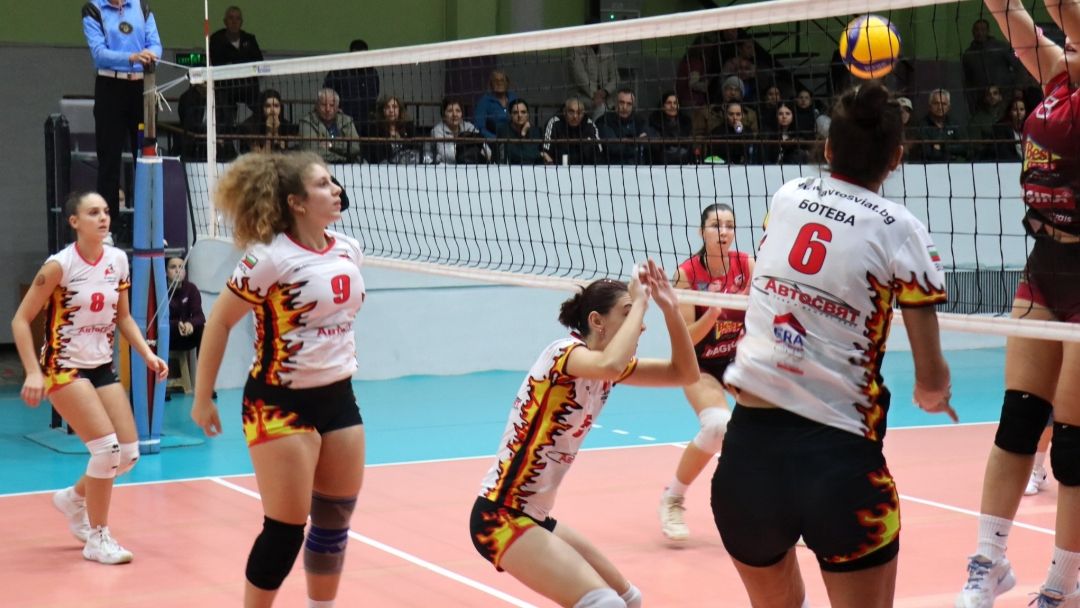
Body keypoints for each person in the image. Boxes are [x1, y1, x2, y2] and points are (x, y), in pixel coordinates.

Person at [713, 80, 955, 608]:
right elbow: (931, 377)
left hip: (747, 463)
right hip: (841, 465)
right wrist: (934, 394)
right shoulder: (902, 230)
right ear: (895, 159)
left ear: (827, 148)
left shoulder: (787, 197)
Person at [190, 152, 366, 608]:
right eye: (323, 184)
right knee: (285, 530)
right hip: (278, 404)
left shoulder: (348, 249)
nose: (336, 190)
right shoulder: (268, 258)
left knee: (333, 521)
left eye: (333, 182)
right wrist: (202, 397)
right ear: (297, 202)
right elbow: (220, 322)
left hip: (340, 397)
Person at [470, 260, 699, 608]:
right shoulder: (563, 354)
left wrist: (670, 309)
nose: (639, 325)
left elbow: (685, 373)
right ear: (597, 321)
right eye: (627, 314)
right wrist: (640, 300)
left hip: (536, 516)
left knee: (629, 599)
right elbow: (609, 364)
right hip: (499, 516)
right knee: (605, 604)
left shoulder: (609, 369)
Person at [956, 1, 1080, 606]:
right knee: (1018, 421)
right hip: (1045, 262)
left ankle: (1060, 585)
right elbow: (1012, 19)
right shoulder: (1059, 79)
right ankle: (989, 562)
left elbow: (1065, 11)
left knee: (1074, 444)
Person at [11, 191, 168, 564]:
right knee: (106, 450)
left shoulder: (117, 260)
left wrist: (147, 353)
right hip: (63, 367)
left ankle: (73, 498)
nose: (103, 218)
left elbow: (123, 317)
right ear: (74, 222)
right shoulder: (59, 266)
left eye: (106, 212)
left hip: (100, 364)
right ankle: (97, 537)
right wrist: (32, 371)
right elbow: (20, 320)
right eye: (93, 212)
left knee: (127, 454)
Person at [658, 203, 754, 541]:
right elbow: (685, 337)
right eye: (715, 225)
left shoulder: (747, 265)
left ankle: (782, 512)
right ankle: (673, 499)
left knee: (780, 424)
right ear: (702, 232)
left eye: (729, 225)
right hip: (698, 363)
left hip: (738, 361)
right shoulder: (686, 274)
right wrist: (713, 313)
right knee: (717, 426)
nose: (723, 232)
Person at [81, 0, 162, 245]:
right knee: (109, 160)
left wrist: (151, 55)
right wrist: (132, 57)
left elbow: (155, 43)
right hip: (110, 88)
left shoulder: (142, 6)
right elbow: (99, 54)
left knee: (147, 158)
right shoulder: (93, 9)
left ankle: (152, 228)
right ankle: (107, 230)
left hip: (142, 87)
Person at [208, 5, 263, 116]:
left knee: (266, 103)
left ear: (241, 22)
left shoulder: (249, 39)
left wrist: (234, 62)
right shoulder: (216, 39)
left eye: (237, 18)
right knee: (223, 107)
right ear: (225, 22)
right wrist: (243, 61)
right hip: (225, 87)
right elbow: (217, 64)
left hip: (248, 86)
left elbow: (259, 62)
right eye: (231, 18)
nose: (234, 22)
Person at [323, 39, 381, 132]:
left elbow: (375, 94)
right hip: (343, 123)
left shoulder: (372, 73)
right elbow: (326, 93)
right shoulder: (337, 72)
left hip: (367, 123)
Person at [299, 88, 361, 163]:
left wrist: (331, 145)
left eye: (332, 105)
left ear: (337, 107)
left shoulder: (346, 120)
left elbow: (355, 147)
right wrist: (343, 158)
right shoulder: (307, 122)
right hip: (319, 165)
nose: (327, 109)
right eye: (323, 105)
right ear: (317, 106)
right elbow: (311, 151)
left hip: (350, 165)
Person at [238, 89, 298, 154]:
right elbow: (260, 157)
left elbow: (282, 152)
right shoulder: (249, 127)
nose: (272, 110)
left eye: (276, 106)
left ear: (281, 108)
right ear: (261, 108)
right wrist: (269, 132)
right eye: (268, 106)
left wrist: (276, 133)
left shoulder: (284, 124)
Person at [429, 98, 486, 164]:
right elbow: (444, 155)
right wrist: (472, 153)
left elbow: (487, 150)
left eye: (458, 111)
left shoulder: (468, 127)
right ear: (443, 114)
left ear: (461, 114)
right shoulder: (437, 130)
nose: (454, 114)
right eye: (450, 111)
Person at [166, 256, 204, 353]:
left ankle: (204, 363)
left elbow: (200, 316)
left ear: (185, 272)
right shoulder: (161, 290)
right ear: (166, 272)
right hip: (168, 337)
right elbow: (157, 321)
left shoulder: (191, 289)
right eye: (173, 267)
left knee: (204, 330)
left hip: (186, 336)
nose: (177, 271)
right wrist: (176, 325)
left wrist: (190, 324)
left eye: (181, 267)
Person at [495, 99, 543, 165]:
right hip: (510, 168)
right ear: (510, 115)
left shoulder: (536, 131)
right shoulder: (503, 130)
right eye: (515, 113)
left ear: (528, 115)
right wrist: (523, 133)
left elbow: (539, 158)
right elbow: (513, 155)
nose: (519, 115)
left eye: (523, 112)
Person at [474, 70, 519, 139]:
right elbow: (479, 127)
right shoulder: (484, 102)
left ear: (507, 83)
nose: (499, 83)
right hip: (494, 140)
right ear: (491, 84)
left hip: (516, 138)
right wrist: (496, 139)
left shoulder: (514, 98)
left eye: (502, 80)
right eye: (496, 81)